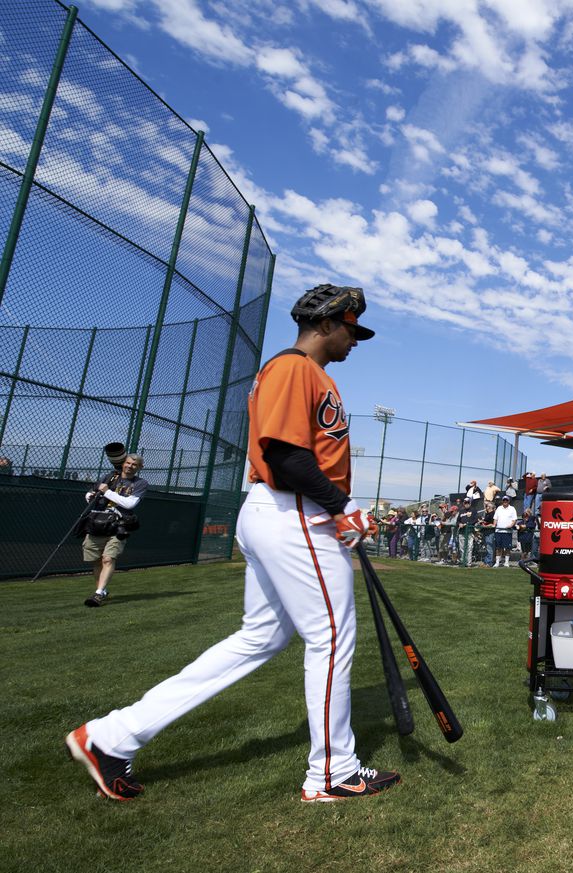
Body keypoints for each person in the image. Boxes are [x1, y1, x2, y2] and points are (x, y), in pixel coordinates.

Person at [66, 283, 399, 803]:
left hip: (285, 511)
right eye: (352, 330)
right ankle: (333, 771)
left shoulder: (307, 374)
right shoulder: (293, 368)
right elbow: (287, 456)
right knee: (331, 639)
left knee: (260, 639)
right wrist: (341, 508)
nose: (355, 341)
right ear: (328, 324)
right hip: (294, 512)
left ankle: (111, 737)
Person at [79, 453, 148, 607]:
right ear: (123, 463)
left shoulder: (140, 483)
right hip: (97, 522)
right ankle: (102, 590)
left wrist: (107, 492)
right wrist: (91, 496)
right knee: (96, 561)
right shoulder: (109, 477)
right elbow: (91, 492)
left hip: (118, 525)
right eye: (128, 463)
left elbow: (129, 504)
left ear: (139, 467)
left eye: (134, 465)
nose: (130, 466)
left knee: (108, 559)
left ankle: (98, 594)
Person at [492, 495, 518, 567]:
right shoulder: (499, 508)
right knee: (498, 547)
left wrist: (510, 525)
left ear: (508, 501)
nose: (505, 502)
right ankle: (497, 562)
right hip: (498, 531)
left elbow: (514, 520)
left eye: (506, 500)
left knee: (507, 548)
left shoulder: (512, 509)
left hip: (507, 531)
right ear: (502, 501)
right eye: (504, 500)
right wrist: (494, 524)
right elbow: (495, 518)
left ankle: (506, 562)